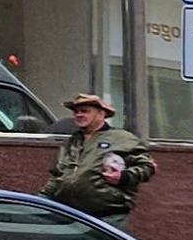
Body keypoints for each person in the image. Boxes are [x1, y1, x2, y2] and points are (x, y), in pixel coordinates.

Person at [44, 92, 151, 220]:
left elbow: (147, 166)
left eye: (85, 111)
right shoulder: (72, 142)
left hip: (107, 217)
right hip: (70, 215)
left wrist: (123, 177)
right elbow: (57, 175)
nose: (79, 115)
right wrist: (43, 198)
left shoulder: (122, 138)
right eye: (76, 112)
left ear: (101, 113)